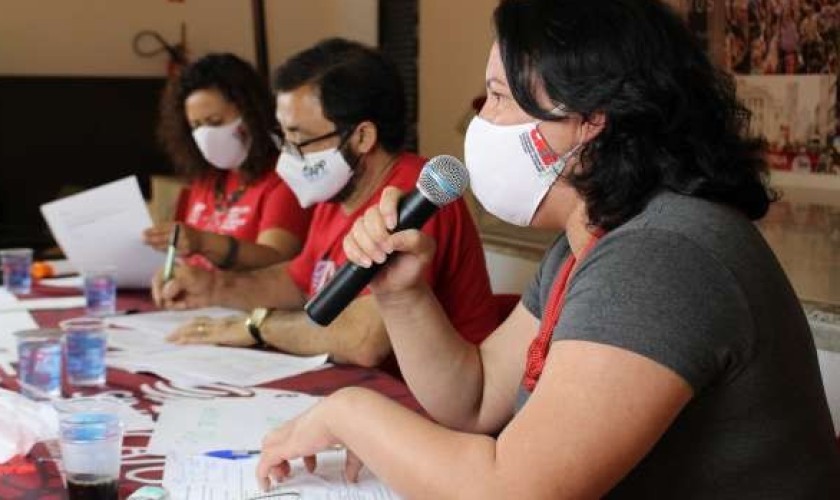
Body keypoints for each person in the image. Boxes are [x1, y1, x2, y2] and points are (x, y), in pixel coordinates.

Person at [256, 0, 840, 497]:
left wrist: (348, 411)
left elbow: (514, 489)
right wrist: (403, 296)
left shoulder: (662, 254)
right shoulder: (587, 243)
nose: (480, 119)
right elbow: (478, 398)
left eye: (500, 96)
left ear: (590, 120)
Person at [153, 38, 499, 368]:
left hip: (428, 406)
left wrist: (255, 327)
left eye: (299, 139)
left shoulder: (416, 196)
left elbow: (364, 340)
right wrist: (211, 287)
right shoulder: (338, 193)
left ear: (362, 136)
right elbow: (297, 284)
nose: (286, 156)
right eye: (283, 136)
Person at [144, 53, 313, 271]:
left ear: (252, 113)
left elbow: (276, 260)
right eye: (196, 126)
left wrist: (204, 242)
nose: (205, 135)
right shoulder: (206, 179)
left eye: (215, 121)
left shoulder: (284, 177)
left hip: (244, 302)